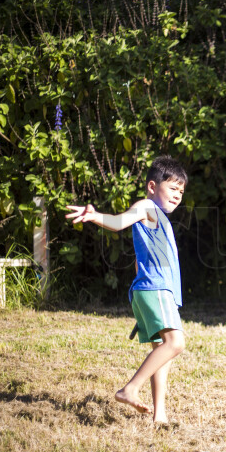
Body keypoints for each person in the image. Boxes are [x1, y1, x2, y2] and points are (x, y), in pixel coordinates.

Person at [66, 156, 187, 425]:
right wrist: (96, 216)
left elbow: (139, 259)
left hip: (155, 292)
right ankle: (130, 389)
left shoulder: (161, 220)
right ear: (153, 186)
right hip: (155, 289)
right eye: (173, 188)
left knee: (162, 353)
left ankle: (160, 416)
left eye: (181, 191)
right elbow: (121, 221)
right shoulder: (147, 207)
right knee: (175, 344)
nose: (178, 195)